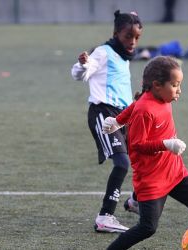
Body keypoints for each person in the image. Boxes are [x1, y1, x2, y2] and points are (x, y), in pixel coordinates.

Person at [102, 56, 188, 249]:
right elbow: (137, 145)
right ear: (157, 85)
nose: (179, 90)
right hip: (151, 180)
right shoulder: (144, 110)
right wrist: (166, 144)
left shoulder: (157, 97)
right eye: (175, 85)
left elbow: (133, 105)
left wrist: (118, 121)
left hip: (175, 172)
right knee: (148, 227)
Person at [70, 10, 143, 233]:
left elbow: (117, 85)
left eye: (136, 37)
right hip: (104, 114)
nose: (132, 42)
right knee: (122, 163)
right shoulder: (103, 52)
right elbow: (79, 74)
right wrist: (83, 64)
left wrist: (135, 102)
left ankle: (135, 202)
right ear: (116, 33)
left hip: (125, 114)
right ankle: (105, 217)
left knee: (144, 156)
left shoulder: (123, 56)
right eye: (127, 36)